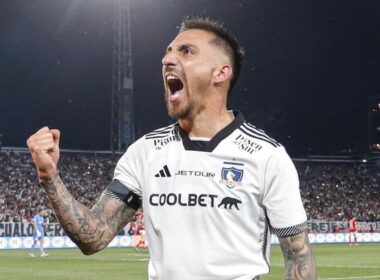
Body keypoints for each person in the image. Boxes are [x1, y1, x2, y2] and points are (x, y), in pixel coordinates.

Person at [27, 17, 316, 279]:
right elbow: (93, 237)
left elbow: (298, 258)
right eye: (168, 51)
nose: (167, 59)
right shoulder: (145, 152)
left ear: (221, 72)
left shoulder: (266, 156)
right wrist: (50, 178)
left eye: (186, 51)